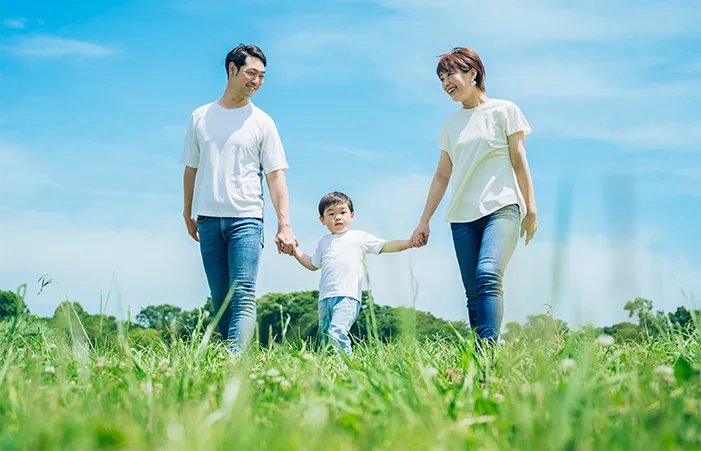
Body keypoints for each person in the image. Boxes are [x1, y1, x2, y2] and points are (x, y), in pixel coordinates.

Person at [411, 47, 538, 346]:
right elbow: (442, 175)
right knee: (472, 292)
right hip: (462, 217)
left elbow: (519, 162)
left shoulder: (504, 110)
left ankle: (487, 350)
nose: (445, 83)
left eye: (450, 74)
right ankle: (480, 361)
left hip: (501, 207)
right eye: (441, 78)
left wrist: (530, 208)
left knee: (488, 274)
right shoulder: (450, 124)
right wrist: (424, 221)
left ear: (473, 73)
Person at [180, 44, 298, 355]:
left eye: (262, 76)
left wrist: (284, 224)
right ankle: (223, 358)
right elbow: (191, 170)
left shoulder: (262, 122)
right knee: (220, 297)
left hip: (246, 218)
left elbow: (275, 176)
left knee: (243, 293)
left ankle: (236, 360)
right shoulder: (200, 117)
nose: (256, 81)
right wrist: (186, 212)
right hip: (207, 218)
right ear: (232, 70)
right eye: (251, 73)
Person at [291, 192, 415, 356]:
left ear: (352, 215)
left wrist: (410, 242)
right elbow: (313, 264)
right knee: (326, 337)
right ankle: (331, 370)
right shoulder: (323, 242)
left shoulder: (358, 237)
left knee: (337, 331)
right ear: (322, 219)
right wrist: (294, 251)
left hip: (347, 297)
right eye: (331, 213)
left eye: (343, 212)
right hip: (325, 299)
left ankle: (347, 366)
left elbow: (385, 245)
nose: (338, 218)